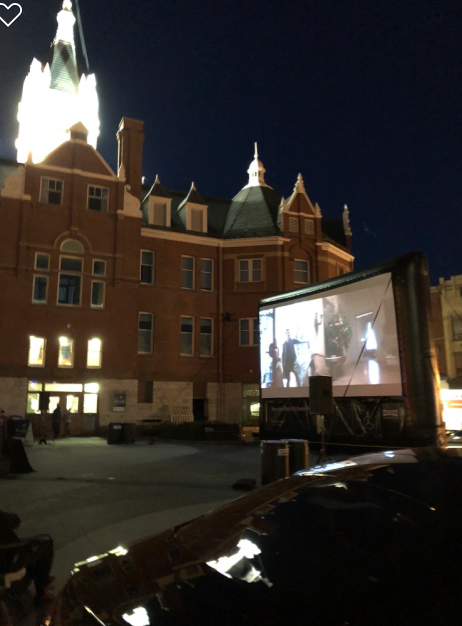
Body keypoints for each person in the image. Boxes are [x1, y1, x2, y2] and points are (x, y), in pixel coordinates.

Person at [0, 510, 54, 605]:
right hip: (8, 564)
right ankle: (42, 589)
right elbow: (15, 521)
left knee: (31, 546)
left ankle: (41, 579)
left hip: (9, 552)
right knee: (45, 542)